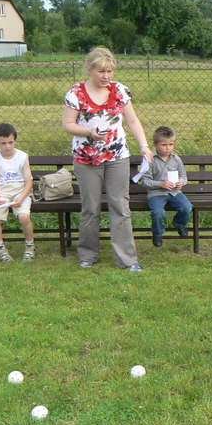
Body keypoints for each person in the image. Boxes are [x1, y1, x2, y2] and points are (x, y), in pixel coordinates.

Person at [62, 46, 152, 271]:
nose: (106, 76)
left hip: (117, 157)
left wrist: (144, 146)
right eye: (101, 71)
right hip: (86, 160)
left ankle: (127, 259)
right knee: (90, 208)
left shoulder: (120, 91)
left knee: (120, 206)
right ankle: (87, 255)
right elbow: (68, 124)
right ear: (90, 69)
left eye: (110, 71)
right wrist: (89, 132)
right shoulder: (76, 92)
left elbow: (132, 121)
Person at [0, 123, 35, 263]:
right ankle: (1, 248)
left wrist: (21, 198)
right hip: (3, 190)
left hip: (21, 190)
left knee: (23, 217)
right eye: (3, 143)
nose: (8, 146)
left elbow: (29, 182)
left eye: (11, 142)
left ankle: (30, 245)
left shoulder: (22, 156)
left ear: (15, 140)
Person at [140, 126, 193, 247]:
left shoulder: (176, 159)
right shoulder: (149, 159)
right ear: (155, 144)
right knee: (158, 212)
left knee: (186, 207)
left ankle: (179, 224)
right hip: (156, 193)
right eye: (164, 145)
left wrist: (181, 182)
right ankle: (158, 233)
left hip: (175, 192)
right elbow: (144, 181)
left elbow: (184, 176)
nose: (168, 148)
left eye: (171, 144)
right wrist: (160, 184)